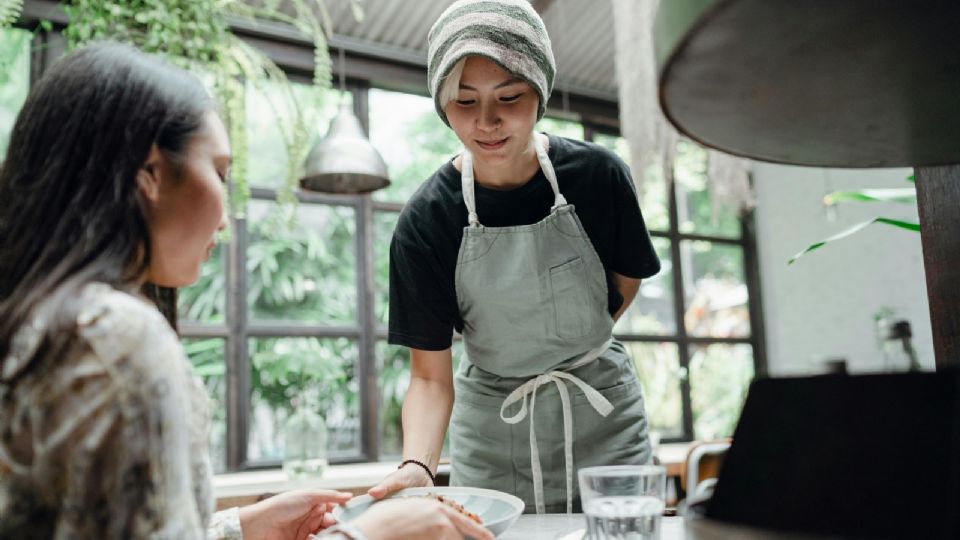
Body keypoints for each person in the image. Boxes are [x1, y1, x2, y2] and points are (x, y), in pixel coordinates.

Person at [0, 42, 492, 540]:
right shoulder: (116, 337)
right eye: (218, 172)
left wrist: (240, 527)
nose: (228, 211)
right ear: (149, 174)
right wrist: (366, 536)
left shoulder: (42, 320)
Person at [369, 0, 662, 514]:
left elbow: (626, 282)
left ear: (540, 91)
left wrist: (566, 343)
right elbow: (429, 376)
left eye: (509, 95)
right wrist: (417, 465)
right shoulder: (427, 221)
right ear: (442, 105)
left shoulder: (598, 177)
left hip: (603, 419)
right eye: (463, 102)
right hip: (493, 433)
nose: (487, 121)